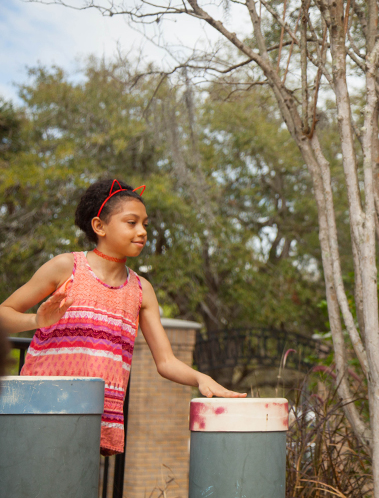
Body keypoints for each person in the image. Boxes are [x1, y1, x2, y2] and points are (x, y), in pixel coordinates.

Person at [0, 179, 246, 455]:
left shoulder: (142, 290)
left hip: (96, 416)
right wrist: (37, 322)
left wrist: (201, 378)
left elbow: (165, 361)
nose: (142, 232)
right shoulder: (66, 267)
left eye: (145, 224)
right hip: (41, 408)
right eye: (131, 222)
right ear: (99, 226)